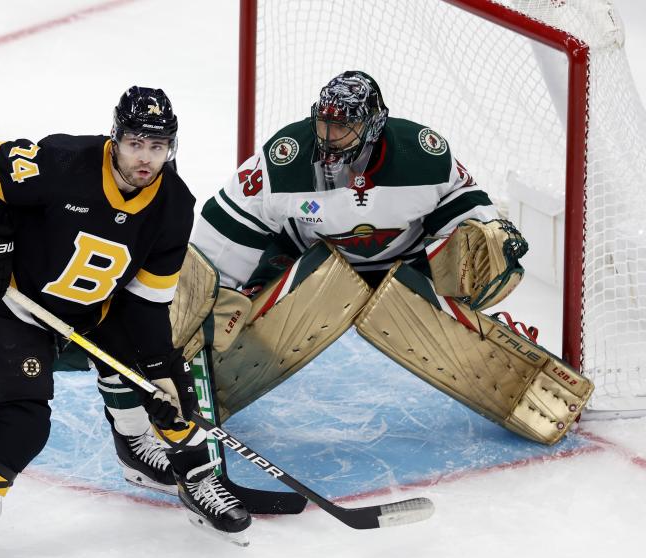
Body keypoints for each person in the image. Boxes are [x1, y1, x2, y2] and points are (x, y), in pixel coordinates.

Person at [0, 86, 251, 558]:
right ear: (115, 139)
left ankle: (196, 477)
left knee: (167, 388)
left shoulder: (174, 208)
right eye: (135, 143)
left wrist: (159, 374)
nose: (145, 158)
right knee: (25, 423)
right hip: (21, 311)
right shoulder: (64, 163)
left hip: (96, 311)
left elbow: (148, 305)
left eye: (158, 146)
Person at [185, 70, 591, 449]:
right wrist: (210, 294)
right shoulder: (285, 158)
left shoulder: (423, 153)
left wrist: (487, 231)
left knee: (477, 250)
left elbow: (462, 202)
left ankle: (509, 367)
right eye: (325, 124)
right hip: (305, 255)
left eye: (344, 127)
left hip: (408, 265)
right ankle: (186, 385)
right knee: (224, 310)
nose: (330, 136)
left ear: (375, 125)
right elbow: (232, 218)